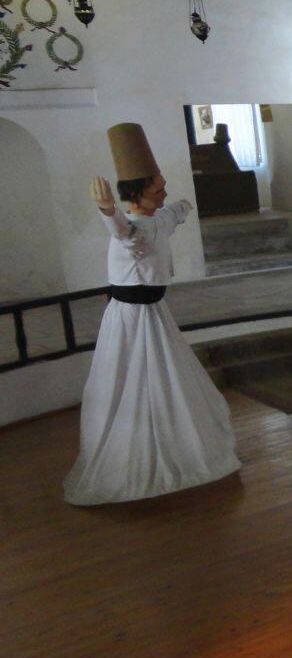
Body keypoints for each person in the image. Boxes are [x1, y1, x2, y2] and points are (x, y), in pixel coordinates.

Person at [64, 123, 241, 505]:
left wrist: (181, 206)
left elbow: (170, 218)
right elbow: (123, 232)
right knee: (132, 383)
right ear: (138, 192)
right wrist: (107, 210)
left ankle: (175, 442)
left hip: (154, 314)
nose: (164, 193)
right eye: (158, 189)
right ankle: (137, 449)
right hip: (131, 320)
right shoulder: (135, 234)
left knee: (165, 381)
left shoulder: (156, 220)